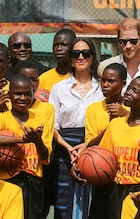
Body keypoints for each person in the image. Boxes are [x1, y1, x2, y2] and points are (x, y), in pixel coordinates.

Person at [91, 76, 140, 219]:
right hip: (115, 187)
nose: (128, 92)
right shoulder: (115, 124)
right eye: (129, 88)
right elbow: (103, 155)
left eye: (135, 90)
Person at [48, 37, 104, 219]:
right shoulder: (58, 88)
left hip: (96, 146)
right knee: (64, 202)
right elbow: (53, 126)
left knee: (94, 199)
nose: (81, 57)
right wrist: (68, 148)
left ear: (93, 57)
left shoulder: (103, 87)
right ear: (70, 58)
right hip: (66, 148)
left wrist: (87, 145)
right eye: (75, 53)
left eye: (85, 53)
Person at [0, 74, 54, 219]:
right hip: (6, 179)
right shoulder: (0, 119)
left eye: (27, 94)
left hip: (33, 180)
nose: (23, 98)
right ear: (9, 95)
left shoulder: (41, 119)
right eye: (18, 94)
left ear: (32, 94)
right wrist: (22, 139)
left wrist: (37, 141)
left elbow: (45, 157)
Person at [85, 62, 129, 147]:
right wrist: (111, 125)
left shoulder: (133, 108)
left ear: (123, 83)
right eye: (103, 80)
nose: (105, 85)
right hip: (101, 157)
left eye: (111, 81)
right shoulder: (93, 109)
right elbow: (90, 145)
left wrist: (127, 115)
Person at [39, 28, 77, 94]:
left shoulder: (82, 78)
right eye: (56, 45)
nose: (59, 48)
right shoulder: (43, 78)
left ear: (74, 47)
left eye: (64, 45)